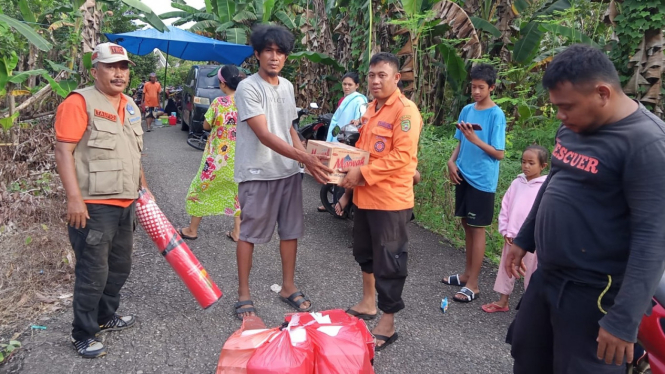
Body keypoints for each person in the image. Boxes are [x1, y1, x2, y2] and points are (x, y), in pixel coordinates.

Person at [505, 44, 665, 373]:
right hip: (547, 276)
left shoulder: (646, 144)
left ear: (602, 93)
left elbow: (654, 237)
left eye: (567, 107)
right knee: (527, 354)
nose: (561, 117)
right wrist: (524, 239)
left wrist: (623, 320)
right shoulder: (575, 125)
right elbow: (554, 184)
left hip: (595, 291)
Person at [53, 42, 149, 358]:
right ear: (95, 70)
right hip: (93, 205)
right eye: (111, 66)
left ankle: (105, 317)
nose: (119, 73)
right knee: (92, 273)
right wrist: (73, 199)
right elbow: (64, 150)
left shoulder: (131, 105)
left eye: (123, 67)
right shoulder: (80, 102)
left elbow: (134, 152)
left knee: (119, 268)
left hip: (126, 203)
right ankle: (83, 332)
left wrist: (143, 190)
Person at [232, 24, 332, 320]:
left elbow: (289, 128)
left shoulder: (287, 86)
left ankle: (288, 286)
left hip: (288, 173)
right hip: (257, 172)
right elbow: (263, 134)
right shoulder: (248, 87)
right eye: (268, 51)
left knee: (290, 232)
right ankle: (243, 294)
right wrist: (305, 158)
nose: (274, 57)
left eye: (280, 52)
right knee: (248, 234)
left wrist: (306, 161)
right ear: (257, 54)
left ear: (286, 57)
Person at [338, 52, 422, 351]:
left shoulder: (406, 112)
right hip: (365, 197)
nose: (375, 80)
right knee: (365, 252)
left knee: (390, 261)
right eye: (372, 75)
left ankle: (388, 321)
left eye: (382, 75)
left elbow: (402, 160)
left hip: (391, 200)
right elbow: (360, 150)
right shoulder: (371, 109)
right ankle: (368, 302)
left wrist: (362, 171)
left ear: (396, 78)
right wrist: (347, 188)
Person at [441, 63, 506, 303]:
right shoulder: (467, 110)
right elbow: (460, 141)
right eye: (473, 87)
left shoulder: (496, 114)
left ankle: (474, 284)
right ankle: (467, 274)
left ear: (492, 87)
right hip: (463, 174)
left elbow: (498, 153)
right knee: (467, 225)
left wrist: (475, 139)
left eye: (481, 87)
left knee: (478, 229)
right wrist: (451, 161)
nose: (476, 91)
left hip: (482, 180)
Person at [179, 66, 245, 242]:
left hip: (217, 159)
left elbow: (206, 126)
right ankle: (237, 232)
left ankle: (192, 230)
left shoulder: (219, 103)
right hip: (240, 159)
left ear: (223, 84)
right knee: (237, 193)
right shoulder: (247, 103)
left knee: (200, 189)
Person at [481, 145, 548, 313]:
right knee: (506, 268)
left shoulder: (545, 187)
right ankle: (503, 301)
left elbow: (544, 214)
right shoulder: (517, 183)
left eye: (531, 163)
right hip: (512, 237)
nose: (526, 166)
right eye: (524, 162)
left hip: (532, 241)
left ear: (543, 166)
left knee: (532, 273)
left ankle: (529, 308)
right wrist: (505, 230)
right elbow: (506, 207)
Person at [325, 72, 368, 143]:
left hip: (348, 137)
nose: (346, 87)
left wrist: (357, 121)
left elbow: (361, 118)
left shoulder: (359, 100)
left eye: (350, 84)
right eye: (344, 84)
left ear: (357, 85)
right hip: (338, 134)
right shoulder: (343, 99)